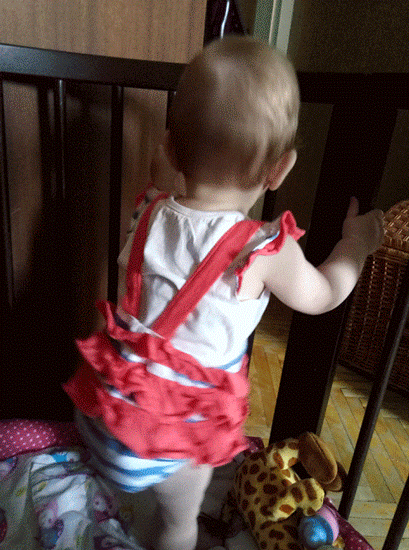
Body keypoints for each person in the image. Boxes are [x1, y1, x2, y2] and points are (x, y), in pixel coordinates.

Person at [64, 35, 384, 550]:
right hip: (171, 436)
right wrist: (355, 244)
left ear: (170, 150)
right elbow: (325, 293)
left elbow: (167, 181)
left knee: (152, 492)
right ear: (280, 170)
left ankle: (128, 505)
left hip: (106, 413)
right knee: (179, 523)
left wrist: (175, 161)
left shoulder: (148, 209)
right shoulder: (262, 248)